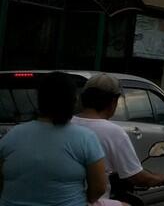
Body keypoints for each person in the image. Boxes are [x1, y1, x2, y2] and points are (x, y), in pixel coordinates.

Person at [0, 72, 109, 206]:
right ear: (73, 101)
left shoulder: (12, 135)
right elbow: (99, 187)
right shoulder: (86, 138)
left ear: (39, 101)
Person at [73, 74, 164, 203]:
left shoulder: (67, 124)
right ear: (113, 102)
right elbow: (137, 177)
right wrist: (159, 179)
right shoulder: (113, 132)